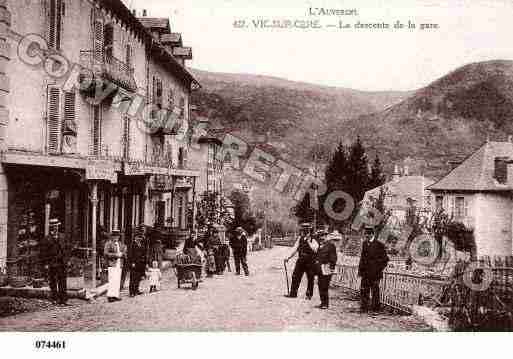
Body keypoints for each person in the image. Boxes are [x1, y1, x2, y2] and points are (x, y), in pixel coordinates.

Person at [358, 224, 389, 313]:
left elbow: (385, 259)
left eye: (367, 235)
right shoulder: (364, 244)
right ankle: (364, 307)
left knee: (375, 291)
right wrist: (360, 271)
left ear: (372, 234)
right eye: (365, 235)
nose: (366, 236)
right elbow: (362, 258)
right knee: (364, 290)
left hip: (375, 274)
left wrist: (378, 269)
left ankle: (376, 309)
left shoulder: (379, 245)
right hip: (365, 273)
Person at [284, 223, 318, 299]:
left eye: (306, 229)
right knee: (295, 276)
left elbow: (315, 249)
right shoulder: (300, 238)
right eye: (303, 229)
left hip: (310, 261)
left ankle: (309, 295)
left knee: (310, 278)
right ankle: (293, 293)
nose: (304, 231)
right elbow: (295, 248)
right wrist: (288, 257)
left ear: (309, 229)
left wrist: (309, 241)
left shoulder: (314, 238)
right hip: (301, 260)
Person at [40, 218, 69, 305]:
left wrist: (67, 260)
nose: (55, 228)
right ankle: (54, 298)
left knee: (63, 281)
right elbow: (43, 253)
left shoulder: (62, 236)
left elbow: (66, 249)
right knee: (53, 282)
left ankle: (63, 299)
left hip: (62, 262)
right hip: (52, 263)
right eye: (53, 226)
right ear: (51, 228)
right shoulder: (47, 239)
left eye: (57, 226)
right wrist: (46, 264)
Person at [314, 230, 340, 309]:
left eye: (323, 236)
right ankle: (322, 302)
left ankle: (325, 304)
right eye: (320, 237)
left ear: (326, 236)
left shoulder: (330, 245)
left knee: (324, 286)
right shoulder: (320, 246)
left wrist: (331, 267)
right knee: (320, 285)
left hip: (327, 268)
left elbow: (334, 258)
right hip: (320, 269)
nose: (321, 238)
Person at [104, 230, 123, 302]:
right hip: (112, 263)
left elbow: (123, 251)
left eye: (117, 236)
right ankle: (110, 296)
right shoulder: (108, 243)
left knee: (117, 280)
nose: (116, 237)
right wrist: (116, 255)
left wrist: (122, 254)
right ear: (112, 236)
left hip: (119, 263)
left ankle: (115, 295)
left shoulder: (119, 244)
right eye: (115, 236)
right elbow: (106, 253)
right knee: (112, 280)